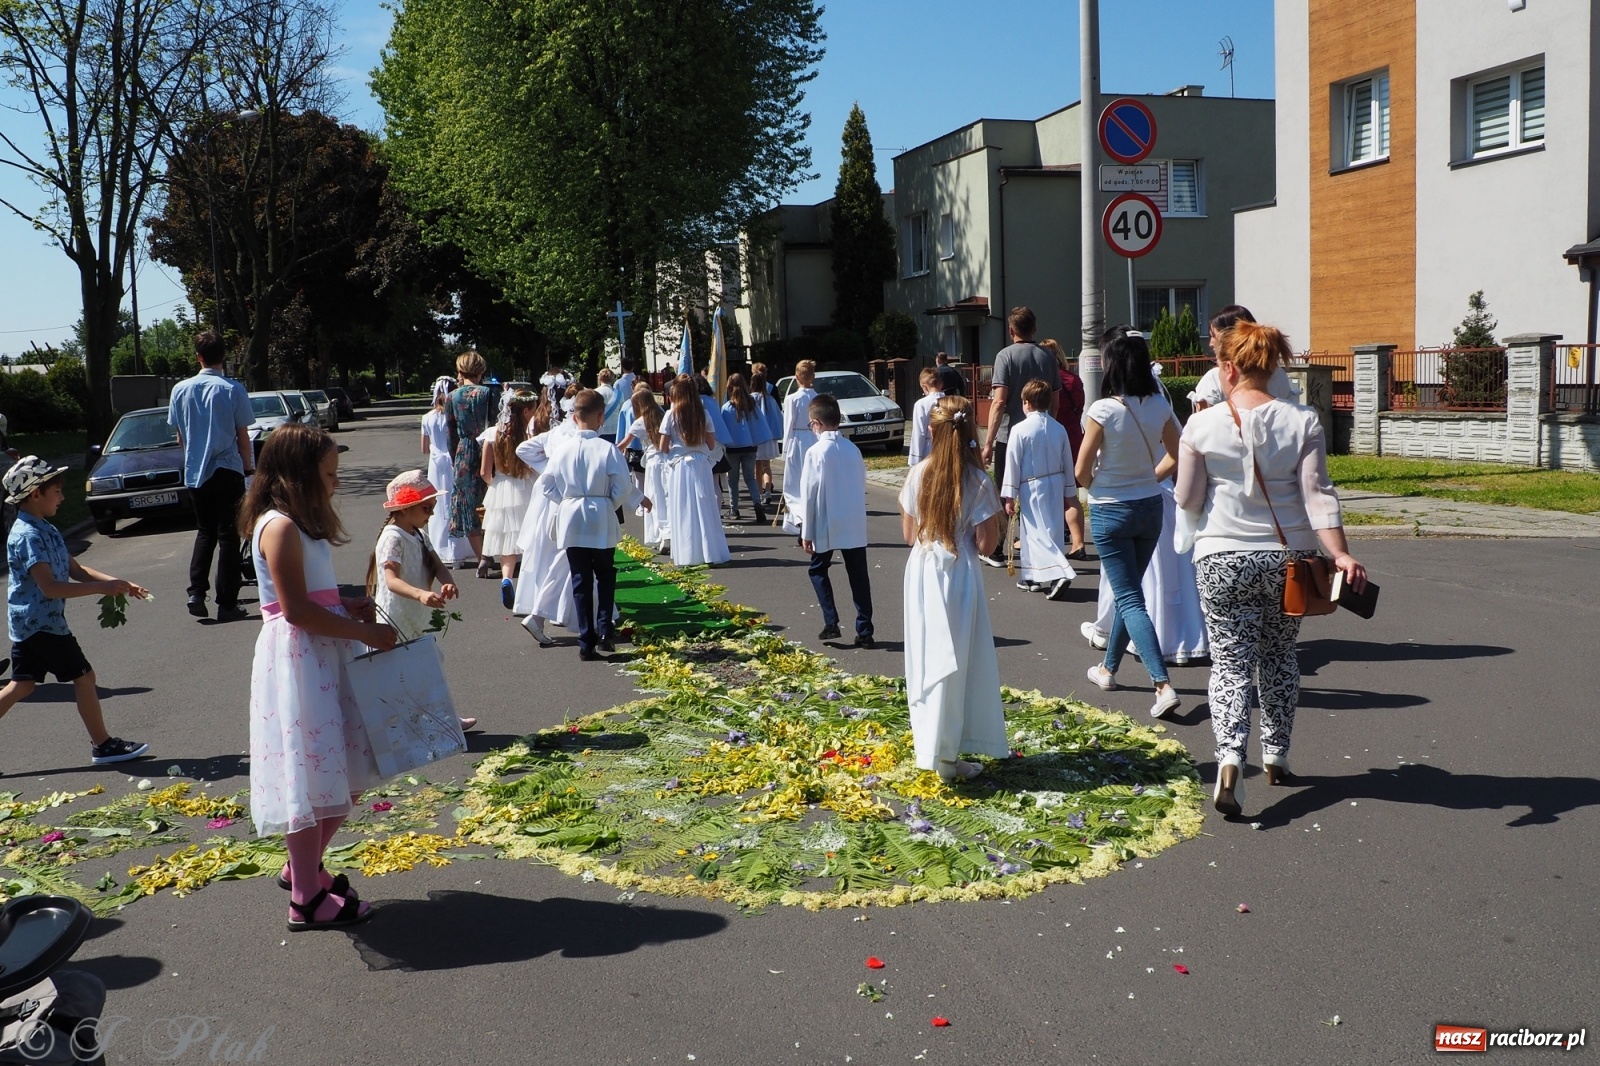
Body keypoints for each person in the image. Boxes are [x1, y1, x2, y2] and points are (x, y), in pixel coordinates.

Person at [1176, 321, 1366, 817]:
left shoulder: (1201, 425)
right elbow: (1318, 495)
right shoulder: (1302, 421)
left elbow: (1188, 498)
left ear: (1229, 368)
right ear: (1272, 366)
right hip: (1288, 560)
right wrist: (1340, 554)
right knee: (1279, 654)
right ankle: (1276, 754)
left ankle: (1229, 759)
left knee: (1230, 664)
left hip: (1221, 557)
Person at [241, 423, 395, 931]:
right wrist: (364, 632)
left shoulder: (299, 526)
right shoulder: (279, 527)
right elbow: (294, 611)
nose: (336, 482)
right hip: (302, 660)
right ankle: (305, 897)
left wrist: (343, 604)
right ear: (299, 475)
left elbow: (313, 598)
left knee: (347, 769)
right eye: (328, 474)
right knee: (312, 777)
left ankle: (302, 869)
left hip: (324, 653)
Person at [0, 457, 149, 766]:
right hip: (40, 624)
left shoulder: (45, 528)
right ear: (35, 494)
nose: (63, 497)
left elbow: (76, 570)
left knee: (22, 685)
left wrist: (118, 583)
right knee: (84, 677)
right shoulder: (27, 536)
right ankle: (103, 746)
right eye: (56, 491)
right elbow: (50, 588)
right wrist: (101, 589)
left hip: (34, 623)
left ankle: (103, 745)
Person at [1074, 328, 1183, 720]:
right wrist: (1149, 478)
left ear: (1113, 365)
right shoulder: (1159, 405)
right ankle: (1108, 669)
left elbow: (1081, 470)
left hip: (1111, 510)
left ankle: (1162, 684)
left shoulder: (1103, 410)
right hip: (1149, 508)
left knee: (1130, 596)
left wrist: (1101, 485)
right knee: (1129, 591)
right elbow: (1178, 454)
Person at [899, 397, 1008, 783]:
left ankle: (932, 747)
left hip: (923, 572)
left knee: (927, 657)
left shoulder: (917, 474)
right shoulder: (977, 480)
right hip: (958, 574)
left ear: (932, 431)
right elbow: (987, 545)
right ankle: (947, 754)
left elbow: (910, 535)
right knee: (958, 658)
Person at [540, 389, 648, 661]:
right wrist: (608, 503)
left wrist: (567, 500)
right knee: (605, 573)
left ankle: (585, 640)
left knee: (580, 578)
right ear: (601, 417)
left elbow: (546, 485)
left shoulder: (562, 449)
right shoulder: (607, 449)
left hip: (571, 516)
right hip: (599, 514)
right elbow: (623, 485)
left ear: (574, 417)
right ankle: (604, 631)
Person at [365, 471, 474, 732]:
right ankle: (408, 723)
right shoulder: (393, 537)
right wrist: (421, 594)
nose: (431, 514)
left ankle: (441, 717)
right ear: (405, 508)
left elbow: (438, 565)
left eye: (433, 507)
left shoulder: (418, 534)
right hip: (398, 616)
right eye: (427, 508)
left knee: (428, 665)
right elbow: (391, 580)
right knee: (404, 672)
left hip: (417, 615)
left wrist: (447, 581)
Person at [167, 330, 253, 621]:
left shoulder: (180, 390)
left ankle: (196, 592)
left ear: (198, 357)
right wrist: (248, 467)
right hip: (227, 469)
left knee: (205, 532)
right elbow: (243, 435)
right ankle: (227, 603)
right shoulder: (233, 389)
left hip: (196, 472)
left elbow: (180, 437)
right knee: (228, 535)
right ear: (224, 356)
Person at [980, 307, 1060, 567]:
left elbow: (998, 402)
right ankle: (1037, 547)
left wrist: (989, 442)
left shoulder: (1005, 356)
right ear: (1034, 328)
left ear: (1011, 330)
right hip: (1041, 434)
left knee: (1005, 491)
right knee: (1035, 491)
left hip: (1008, 434)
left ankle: (997, 548)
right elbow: (1055, 402)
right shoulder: (1048, 356)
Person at [800, 394, 873, 647]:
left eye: (811, 424)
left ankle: (831, 622)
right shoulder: (853, 449)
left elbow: (808, 494)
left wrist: (806, 531)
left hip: (827, 519)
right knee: (859, 576)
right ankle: (865, 630)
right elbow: (861, 481)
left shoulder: (815, 452)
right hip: (853, 519)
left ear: (817, 423)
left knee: (818, 569)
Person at [1000, 379, 1077, 600]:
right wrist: (1069, 491)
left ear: (1026, 402)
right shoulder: (1058, 428)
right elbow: (1067, 460)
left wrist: (1009, 495)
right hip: (1056, 483)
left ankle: (1060, 572)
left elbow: (1012, 463)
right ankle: (1031, 577)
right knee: (1052, 530)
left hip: (1032, 485)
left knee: (1035, 533)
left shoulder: (1020, 429)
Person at [511, 396, 572, 646]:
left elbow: (523, 449)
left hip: (549, 501)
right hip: (564, 500)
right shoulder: (574, 437)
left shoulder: (554, 434)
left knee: (549, 556)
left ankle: (569, 613)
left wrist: (544, 466)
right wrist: (548, 468)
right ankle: (546, 613)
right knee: (566, 558)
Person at [658, 376, 730, 566]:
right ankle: (710, 551)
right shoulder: (703, 414)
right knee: (705, 506)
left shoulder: (671, 414)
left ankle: (688, 553)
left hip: (680, 465)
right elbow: (711, 444)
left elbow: (663, 446)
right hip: (701, 463)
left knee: (683, 507)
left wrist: (677, 447)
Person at [478, 389, 538, 608]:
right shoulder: (528, 436)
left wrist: (495, 487)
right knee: (530, 537)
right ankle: (530, 588)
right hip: (525, 486)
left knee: (507, 541)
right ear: (526, 411)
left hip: (501, 487)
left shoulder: (492, 434)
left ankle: (506, 579)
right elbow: (534, 466)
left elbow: (484, 472)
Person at [1189, 305, 1298, 412]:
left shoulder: (1214, 378)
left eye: (1213, 336)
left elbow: (1203, 420)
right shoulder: (1279, 375)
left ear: (1229, 338)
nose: (1211, 343)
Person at [445, 351, 494, 574]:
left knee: (467, 505)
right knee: (492, 501)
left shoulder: (452, 397)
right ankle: (493, 550)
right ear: (480, 370)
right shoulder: (488, 393)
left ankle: (482, 556)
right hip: (488, 447)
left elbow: (450, 432)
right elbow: (497, 423)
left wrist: (455, 456)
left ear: (460, 371)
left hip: (464, 451)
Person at [1040, 338, 1088, 557]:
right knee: (1071, 492)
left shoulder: (1046, 382)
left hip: (1053, 438)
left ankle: (1054, 538)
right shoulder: (1074, 380)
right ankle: (1078, 542)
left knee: (1051, 490)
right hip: (1074, 436)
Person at [419, 377, 470, 567]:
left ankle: (441, 549)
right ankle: (458, 550)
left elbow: (424, 448)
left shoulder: (427, 418)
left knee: (439, 505)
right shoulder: (455, 415)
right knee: (455, 502)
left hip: (436, 465)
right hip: (453, 461)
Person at [619, 386, 670, 553]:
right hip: (667, 459)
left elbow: (623, 444)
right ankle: (669, 532)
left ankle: (661, 534)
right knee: (667, 497)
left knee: (655, 497)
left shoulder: (639, 422)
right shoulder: (662, 414)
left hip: (653, 462)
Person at [720, 373, 768, 523]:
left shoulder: (727, 407)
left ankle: (734, 509)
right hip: (750, 446)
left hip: (732, 448)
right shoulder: (752, 405)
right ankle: (757, 504)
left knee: (733, 480)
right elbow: (759, 425)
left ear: (729, 387)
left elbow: (723, 429)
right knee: (750, 478)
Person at [780, 360, 819, 534]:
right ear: (813, 377)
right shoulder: (817, 398)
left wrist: (785, 449)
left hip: (797, 440)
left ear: (796, 377)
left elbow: (788, 424)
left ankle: (799, 519)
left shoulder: (792, 399)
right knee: (811, 481)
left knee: (794, 485)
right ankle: (810, 518)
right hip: (814, 439)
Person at [753, 367, 783, 507]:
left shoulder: (751, 399)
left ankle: (759, 494)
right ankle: (768, 492)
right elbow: (778, 416)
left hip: (755, 437)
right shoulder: (770, 399)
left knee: (757, 467)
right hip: (769, 437)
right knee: (767, 466)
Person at [906, 366, 943, 466]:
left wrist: (914, 461)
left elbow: (919, 432)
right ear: (941, 384)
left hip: (929, 450)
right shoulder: (951, 401)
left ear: (924, 386)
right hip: (948, 446)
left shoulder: (921, 404)